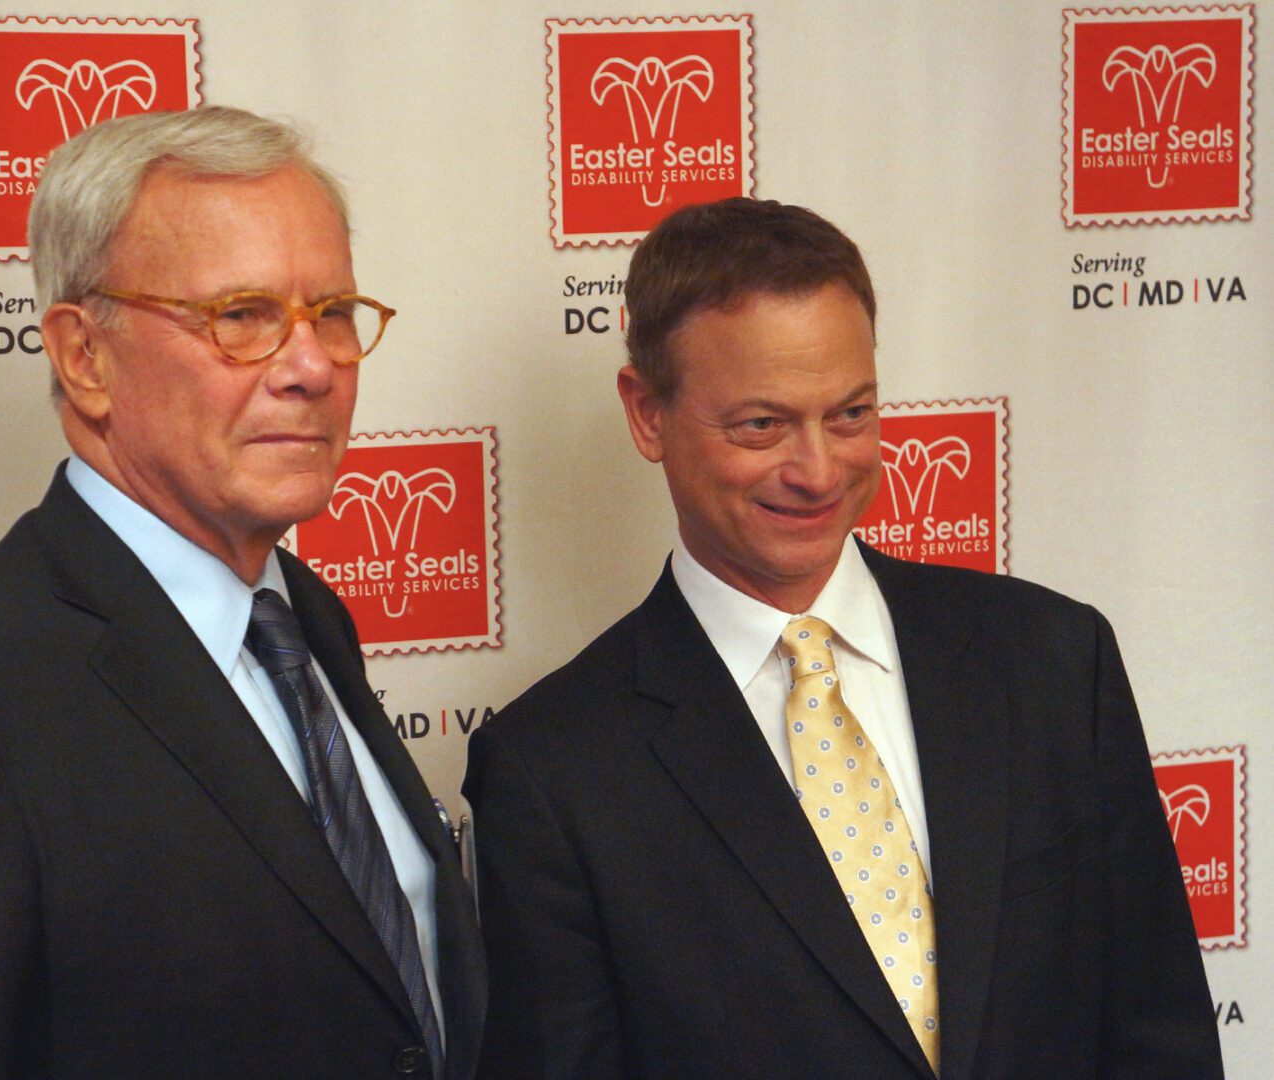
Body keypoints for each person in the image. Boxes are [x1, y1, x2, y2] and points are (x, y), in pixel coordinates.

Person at [0, 106, 484, 1080]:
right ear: (84, 357)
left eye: (332, 313)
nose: (312, 366)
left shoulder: (306, 623)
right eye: (242, 316)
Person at [463, 197, 1219, 1079]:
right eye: (762, 425)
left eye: (851, 414)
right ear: (648, 413)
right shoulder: (553, 772)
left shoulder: (1054, 661)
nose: (819, 471)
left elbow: (1160, 1034)